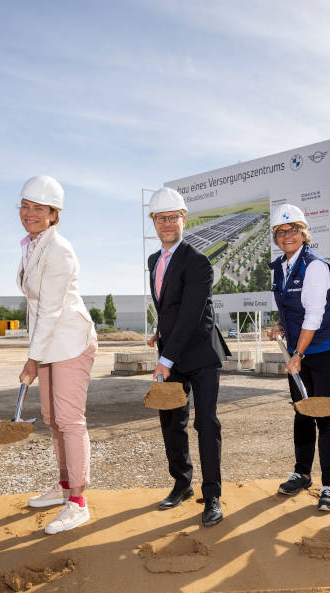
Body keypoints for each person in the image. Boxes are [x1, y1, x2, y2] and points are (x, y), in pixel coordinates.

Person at [15, 175, 98, 535]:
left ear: (53, 214)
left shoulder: (59, 249)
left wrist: (32, 358)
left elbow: (50, 310)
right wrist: (35, 352)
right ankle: (64, 485)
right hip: (49, 343)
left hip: (70, 342)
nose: (30, 213)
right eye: (26, 206)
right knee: (52, 418)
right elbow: (37, 310)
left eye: (39, 209)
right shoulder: (32, 245)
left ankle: (78, 501)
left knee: (69, 419)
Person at [145, 187, 230, 526]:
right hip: (172, 350)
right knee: (171, 422)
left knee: (205, 423)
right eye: (160, 218)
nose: (167, 224)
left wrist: (165, 360)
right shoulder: (154, 261)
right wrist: (159, 332)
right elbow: (169, 308)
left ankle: (211, 497)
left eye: (173, 217)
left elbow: (193, 313)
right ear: (154, 222)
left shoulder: (198, 261)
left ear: (184, 219)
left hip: (201, 354)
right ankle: (181, 484)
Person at [267, 204, 330, 512]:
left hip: (324, 347)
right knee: (302, 410)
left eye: (292, 230)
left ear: (304, 233)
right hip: (298, 349)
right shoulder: (280, 267)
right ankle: (302, 473)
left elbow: (314, 314)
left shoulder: (315, 266)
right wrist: (281, 326)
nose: (287, 236)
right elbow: (291, 307)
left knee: (325, 414)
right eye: (281, 232)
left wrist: (298, 353)